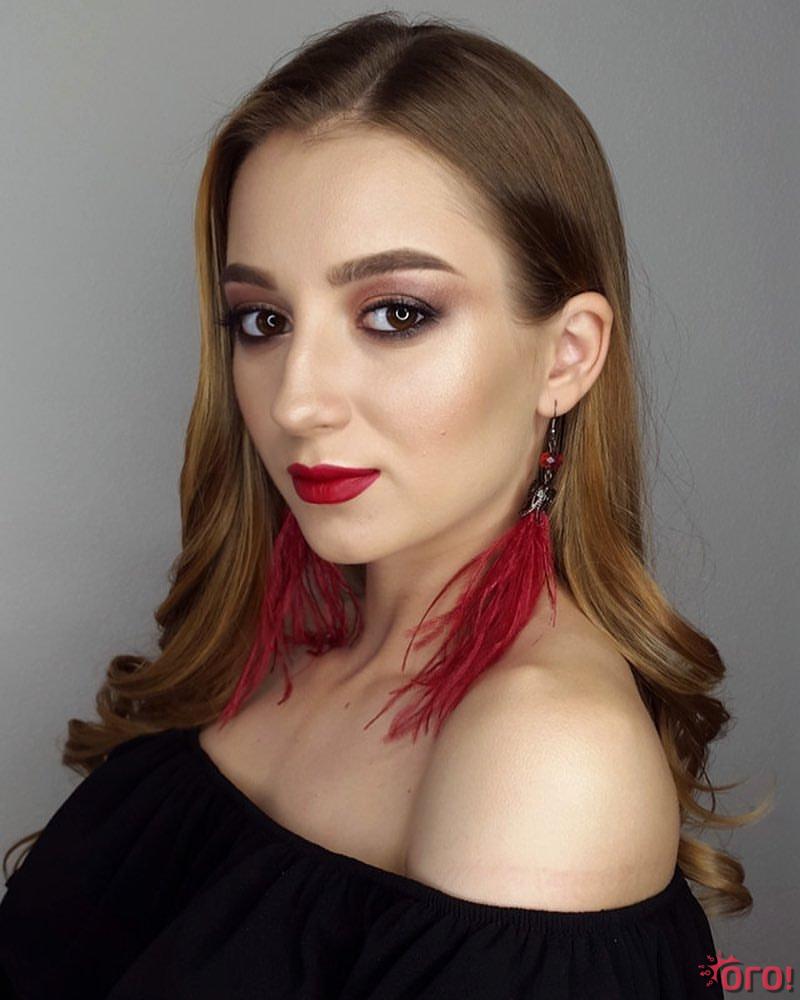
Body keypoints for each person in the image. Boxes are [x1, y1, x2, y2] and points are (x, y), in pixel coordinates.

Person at [0, 11, 770, 998]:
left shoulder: (545, 754)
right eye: (262, 320)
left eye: (396, 314)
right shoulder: (279, 638)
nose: (296, 401)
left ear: (566, 355)